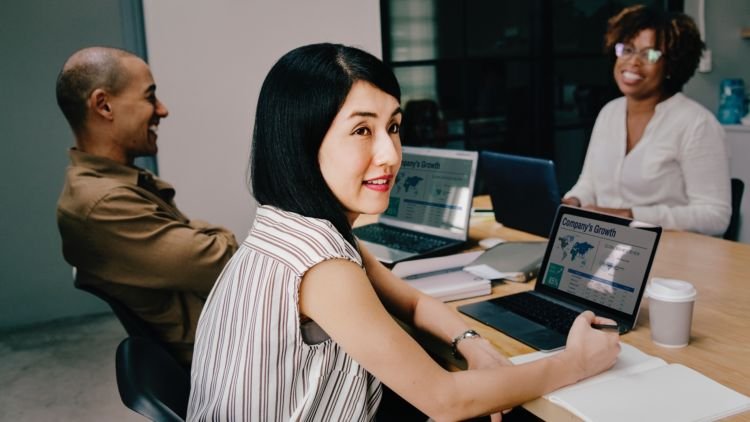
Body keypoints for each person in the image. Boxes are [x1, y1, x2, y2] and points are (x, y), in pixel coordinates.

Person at [187, 43, 620, 421]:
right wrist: (578, 360)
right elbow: (444, 401)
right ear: (302, 143)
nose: (390, 154)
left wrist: (473, 344)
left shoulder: (290, 224)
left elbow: (411, 301)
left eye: (393, 127)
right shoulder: (322, 265)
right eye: (361, 131)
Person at [55, 46, 238, 366]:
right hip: (230, 360)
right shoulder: (102, 203)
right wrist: (213, 235)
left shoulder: (118, 183)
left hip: (230, 335)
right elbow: (223, 261)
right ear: (104, 105)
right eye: (150, 97)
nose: (162, 110)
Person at [562, 5, 731, 236]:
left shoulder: (697, 123)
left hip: (673, 254)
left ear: (671, 64)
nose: (633, 62)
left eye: (649, 54)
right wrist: (574, 201)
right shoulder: (609, 112)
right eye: (627, 49)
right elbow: (589, 183)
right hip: (604, 243)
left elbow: (715, 216)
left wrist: (631, 215)